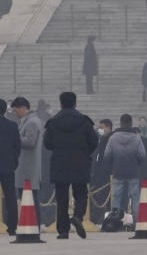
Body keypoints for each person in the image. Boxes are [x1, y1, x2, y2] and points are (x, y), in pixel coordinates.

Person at [43, 91, 98, 239]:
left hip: (60, 164)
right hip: (80, 163)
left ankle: (63, 230)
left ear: (60, 103)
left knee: (61, 198)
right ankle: (78, 217)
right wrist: (84, 152)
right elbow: (93, 142)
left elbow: (47, 143)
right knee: (81, 194)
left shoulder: (53, 122)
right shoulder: (84, 121)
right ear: (75, 103)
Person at [103, 114, 146, 221]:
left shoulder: (113, 138)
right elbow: (143, 155)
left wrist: (113, 164)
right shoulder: (136, 139)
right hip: (133, 172)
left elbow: (107, 155)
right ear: (131, 124)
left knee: (116, 198)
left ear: (120, 123)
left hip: (117, 171)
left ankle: (115, 222)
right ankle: (137, 223)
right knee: (135, 199)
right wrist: (137, 164)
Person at [0, 99, 21, 236]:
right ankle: (12, 227)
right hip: (8, 166)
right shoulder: (13, 125)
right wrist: (14, 162)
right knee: (10, 197)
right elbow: (17, 146)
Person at [12, 97, 43, 198]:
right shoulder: (27, 121)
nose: (16, 114)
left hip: (28, 168)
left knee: (30, 199)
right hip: (26, 168)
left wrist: (15, 138)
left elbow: (30, 142)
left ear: (23, 108)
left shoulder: (32, 122)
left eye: (16, 111)